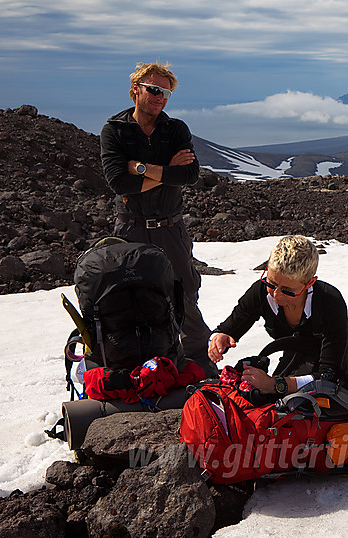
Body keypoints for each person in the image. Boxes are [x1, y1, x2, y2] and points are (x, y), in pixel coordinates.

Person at [99, 61, 218, 377]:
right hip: (130, 230)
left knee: (184, 295)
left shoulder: (176, 129)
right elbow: (118, 182)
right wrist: (168, 171)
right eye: (154, 90)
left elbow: (190, 174)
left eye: (165, 93)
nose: (160, 98)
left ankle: (200, 369)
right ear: (135, 89)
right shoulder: (114, 130)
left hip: (170, 228)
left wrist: (139, 167)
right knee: (130, 298)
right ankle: (138, 371)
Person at [208, 235, 348, 396]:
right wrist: (219, 339)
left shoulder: (330, 302)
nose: (276, 295)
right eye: (271, 283)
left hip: (332, 365)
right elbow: (228, 328)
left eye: (288, 291)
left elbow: (329, 377)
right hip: (293, 362)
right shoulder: (261, 292)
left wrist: (275, 384)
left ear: (310, 283)